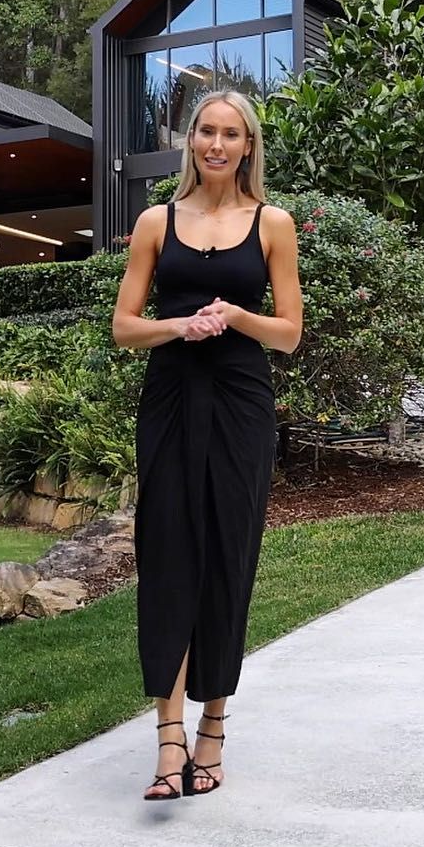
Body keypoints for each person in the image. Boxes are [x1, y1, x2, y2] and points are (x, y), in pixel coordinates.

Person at [112, 90, 303, 800]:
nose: (216, 144)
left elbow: (289, 333)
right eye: (205, 131)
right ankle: (169, 737)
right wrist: (179, 326)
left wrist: (237, 316)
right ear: (190, 139)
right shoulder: (155, 222)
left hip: (241, 403)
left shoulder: (272, 223)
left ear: (248, 146)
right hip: (170, 398)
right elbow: (124, 326)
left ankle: (212, 727)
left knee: (228, 554)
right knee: (167, 554)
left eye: (230, 134)